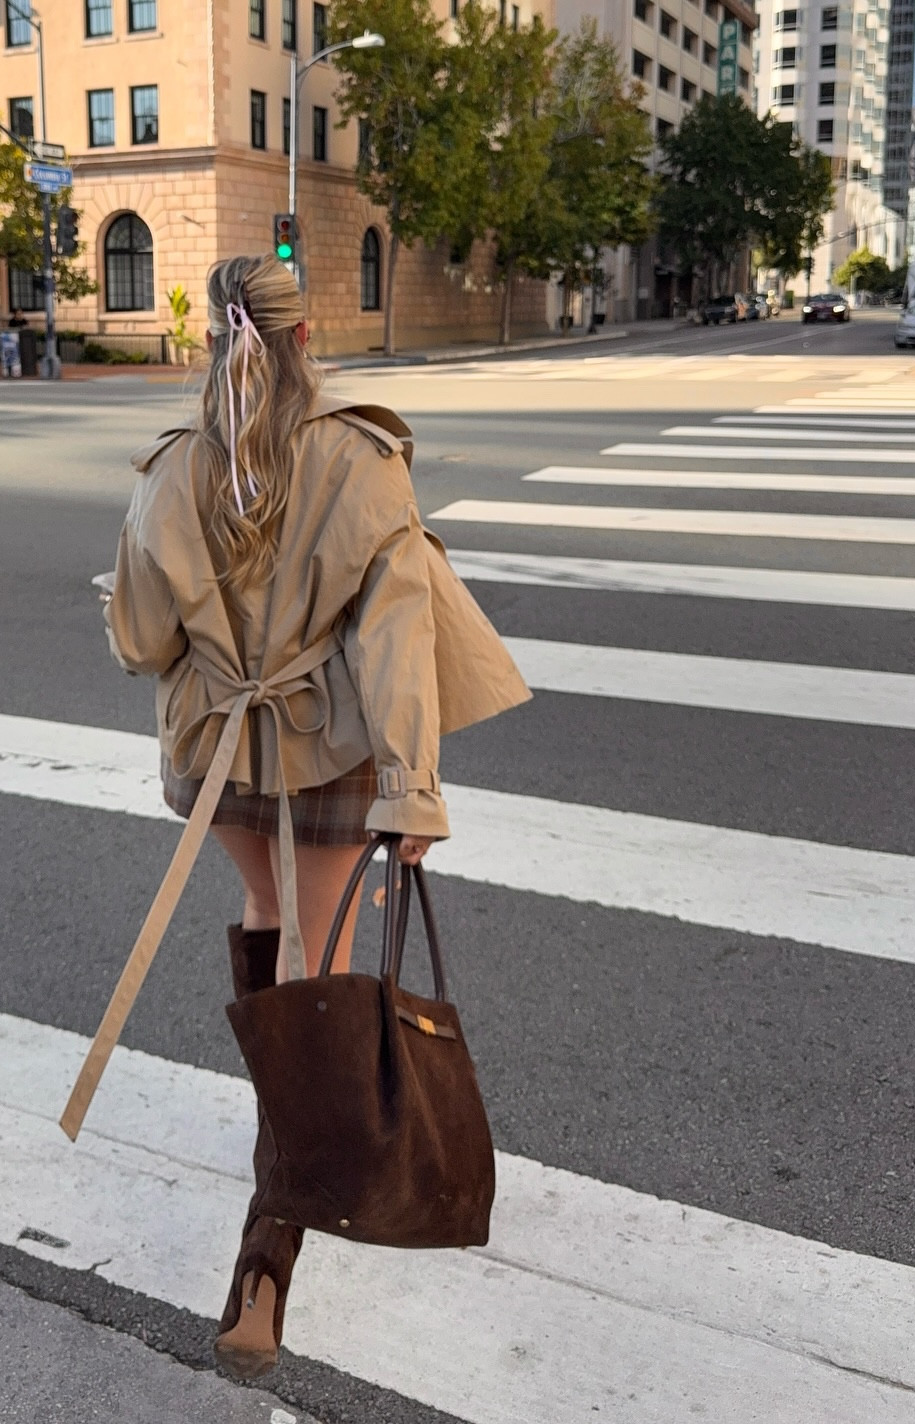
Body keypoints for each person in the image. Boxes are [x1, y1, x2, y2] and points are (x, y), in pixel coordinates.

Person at [101, 254, 528, 1379]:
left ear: (212, 342)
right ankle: (266, 1259)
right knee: (315, 965)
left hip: (216, 758)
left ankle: (280, 1143)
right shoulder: (361, 459)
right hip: (329, 754)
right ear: (304, 339)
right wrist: (411, 787)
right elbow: (394, 641)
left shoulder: (169, 470)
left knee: (274, 932)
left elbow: (143, 643)